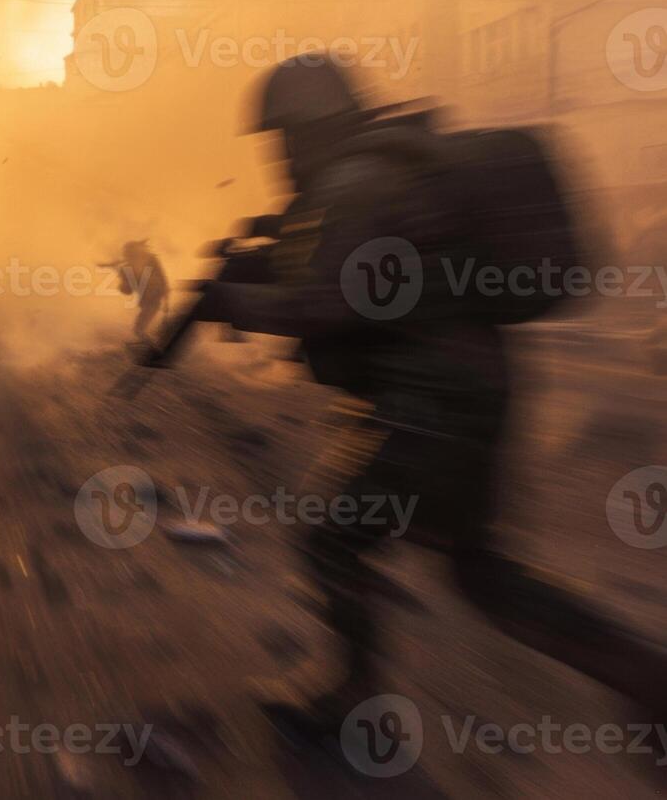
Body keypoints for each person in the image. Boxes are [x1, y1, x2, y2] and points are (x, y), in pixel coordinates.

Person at [198, 54, 667, 741]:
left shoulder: (357, 181)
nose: (280, 154)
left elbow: (325, 302)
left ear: (310, 129)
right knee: (480, 573)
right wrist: (258, 263)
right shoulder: (380, 173)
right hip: (465, 392)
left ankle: (349, 698)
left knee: (331, 541)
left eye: (284, 138)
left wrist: (232, 297)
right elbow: (364, 269)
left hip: (431, 403)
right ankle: (645, 677)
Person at [113, 239, 169, 346]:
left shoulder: (148, 261)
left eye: (128, 253)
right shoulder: (134, 265)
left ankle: (156, 350)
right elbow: (128, 289)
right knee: (139, 330)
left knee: (139, 330)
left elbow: (163, 281)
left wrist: (166, 303)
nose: (126, 255)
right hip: (150, 300)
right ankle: (152, 346)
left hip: (152, 300)